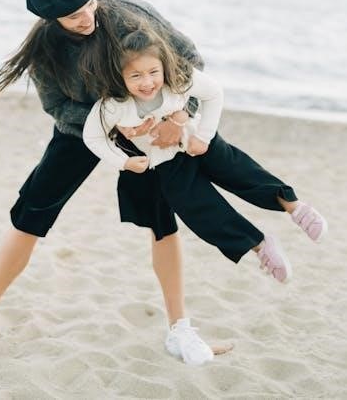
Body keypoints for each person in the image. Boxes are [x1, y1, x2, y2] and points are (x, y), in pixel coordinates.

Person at [0, 0, 327, 365]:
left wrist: (178, 118)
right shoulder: (45, 48)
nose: (88, 17)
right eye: (74, 16)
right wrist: (111, 126)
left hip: (152, 126)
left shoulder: (126, 15)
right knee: (30, 214)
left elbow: (188, 62)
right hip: (83, 131)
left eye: (89, 5)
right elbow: (56, 106)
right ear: (52, 19)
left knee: (162, 221)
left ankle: (180, 330)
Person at [83, 24, 328, 300]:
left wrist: (203, 136)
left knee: (240, 172)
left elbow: (214, 93)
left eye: (153, 72)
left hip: (196, 142)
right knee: (201, 212)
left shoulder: (178, 78)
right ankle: (260, 246)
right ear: (120, 76)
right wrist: (123, 162)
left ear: (163, 66)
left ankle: (295, 207)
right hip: (164, 161)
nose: (147, 82)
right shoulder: (113, 105)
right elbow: (92, 137)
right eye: (136, 76)